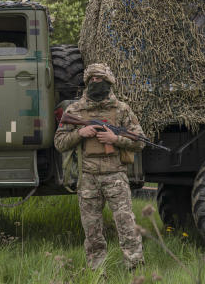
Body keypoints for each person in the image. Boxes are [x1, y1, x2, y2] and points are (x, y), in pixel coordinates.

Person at [54, 63, 145, 271]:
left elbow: (140, 142)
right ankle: (97, 272)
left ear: (109, 81)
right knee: (92, 231)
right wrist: (80, 134)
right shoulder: (75, 110)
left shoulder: (121, 109)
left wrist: (116, 138)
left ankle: (135, 269)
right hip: (88, 178)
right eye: (92, 79)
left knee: (127, 227)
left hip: (116, 176)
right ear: (87, 82)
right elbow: (59, 143)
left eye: (100, 79)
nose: (96, 82)